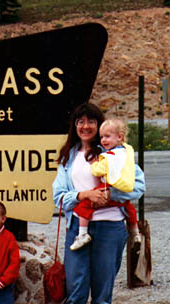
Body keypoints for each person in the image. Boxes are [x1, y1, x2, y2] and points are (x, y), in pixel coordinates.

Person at [52, 102, 145, 304]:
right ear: (74, 126)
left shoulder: (116, 153)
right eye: (80, 122)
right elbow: (58, 196)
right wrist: (84, 195)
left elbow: (138, 186)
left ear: (99, 125)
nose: (85, 126)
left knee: (102, 295)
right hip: (78, 227)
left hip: (110, 227)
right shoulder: (68, 157)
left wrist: (110, 194)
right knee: (76, 292)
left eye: (91, 121)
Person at [70, 118, 141, 251]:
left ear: (119, 137)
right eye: (102, 137)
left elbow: (98, 171)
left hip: (107, 187)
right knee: (129, 208)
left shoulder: (109, 156)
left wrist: (94, 164)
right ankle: (135, 232)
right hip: (120, 188)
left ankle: (82, 234)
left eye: (107, 136)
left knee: (83, 206)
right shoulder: (126, 152)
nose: (103, 140)